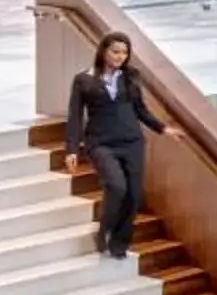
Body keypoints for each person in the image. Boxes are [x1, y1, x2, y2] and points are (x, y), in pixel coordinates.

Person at [66, 31, 169, 259]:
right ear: (103, 51)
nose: (120, 56)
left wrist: (162, 128)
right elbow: (74, 116)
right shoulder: (84, 79)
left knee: (133, 195)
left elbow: (140, 110)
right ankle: (105, 230)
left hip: (132, 142)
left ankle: (119, 243)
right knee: (116, 186)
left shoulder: (131, 76)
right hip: (101, 143)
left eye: (124, 52)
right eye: (115, 51)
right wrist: (72, 149)